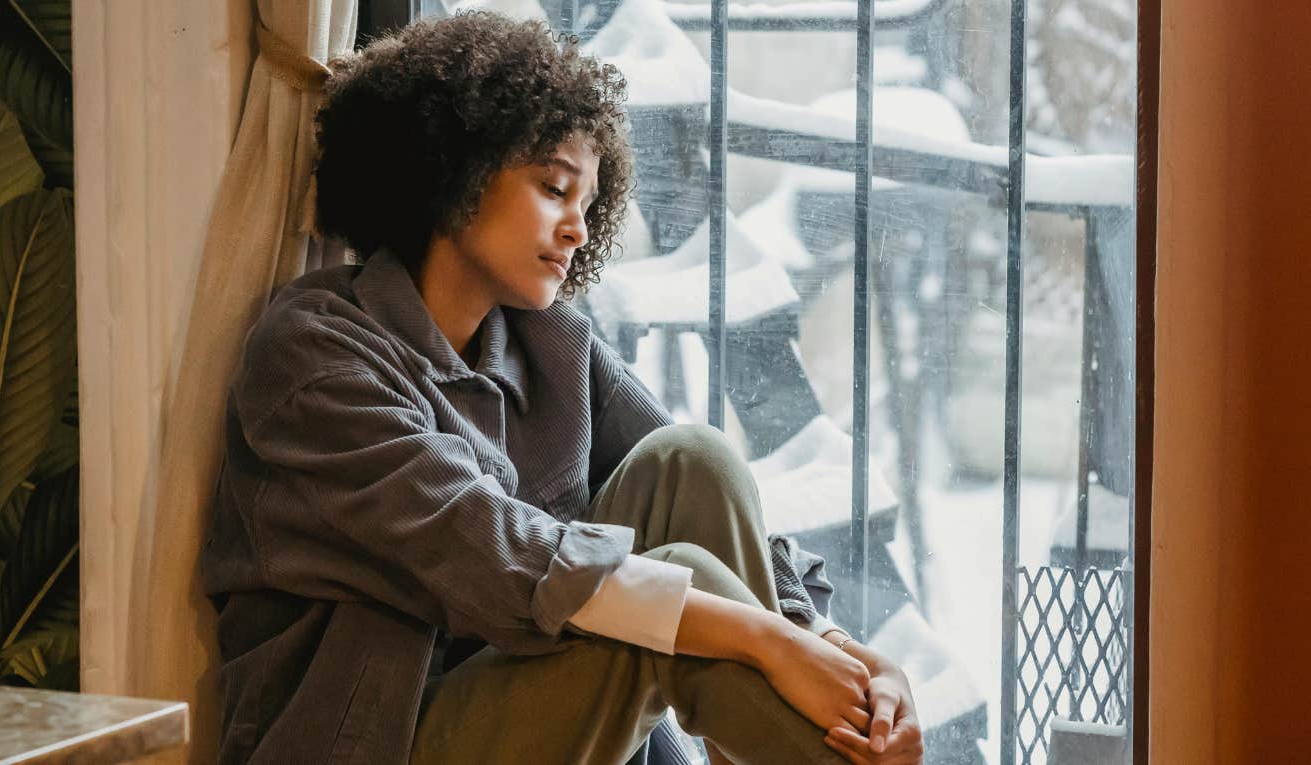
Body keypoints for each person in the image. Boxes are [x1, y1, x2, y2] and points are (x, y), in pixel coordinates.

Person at [200, 11, 922, 765]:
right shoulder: (314, 350)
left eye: (587, 204)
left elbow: (701, 502)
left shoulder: (552, 342)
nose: (577, 229)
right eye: (553, 187)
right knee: (653, 609)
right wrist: (768, 639)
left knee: (692, 459)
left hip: (533, 702)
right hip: (374, 737)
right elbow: (498, 553)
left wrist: (840, 652)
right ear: (453, 166)